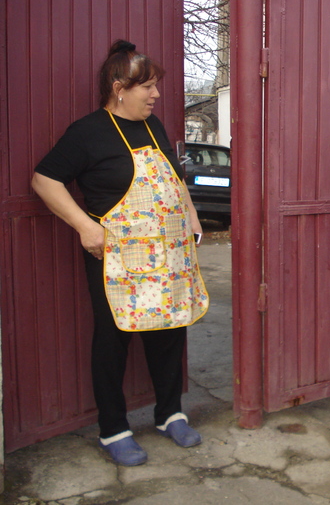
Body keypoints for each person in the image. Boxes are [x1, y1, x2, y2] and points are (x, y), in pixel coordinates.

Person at [32, 40, 209, 466]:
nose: (156, 95)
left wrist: (192, 216)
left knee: (169, 331)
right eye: (147, 87)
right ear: (118, 88)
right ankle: (114, 430)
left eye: (155, 87)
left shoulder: (154, 127)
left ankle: (170, 414)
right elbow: (44, 180)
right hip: (118, 260)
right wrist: (84, 225)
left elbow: (175, 177)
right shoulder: (87, 132)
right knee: (112, 340)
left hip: (168, 255)